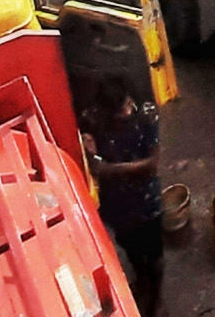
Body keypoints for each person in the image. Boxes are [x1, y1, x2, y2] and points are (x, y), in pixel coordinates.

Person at [82, 76, 163, 315]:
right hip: (117, 203)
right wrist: (89, 148)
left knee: (154, 254)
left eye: (128, 105)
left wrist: (110, 170)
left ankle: (157, 297)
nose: (128, 112)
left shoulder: (145, 117)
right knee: (130, 246)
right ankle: (141, 281)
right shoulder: (94, 120)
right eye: (121, 111)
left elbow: (153, 163)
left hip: (146, 201)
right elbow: (85, 144)